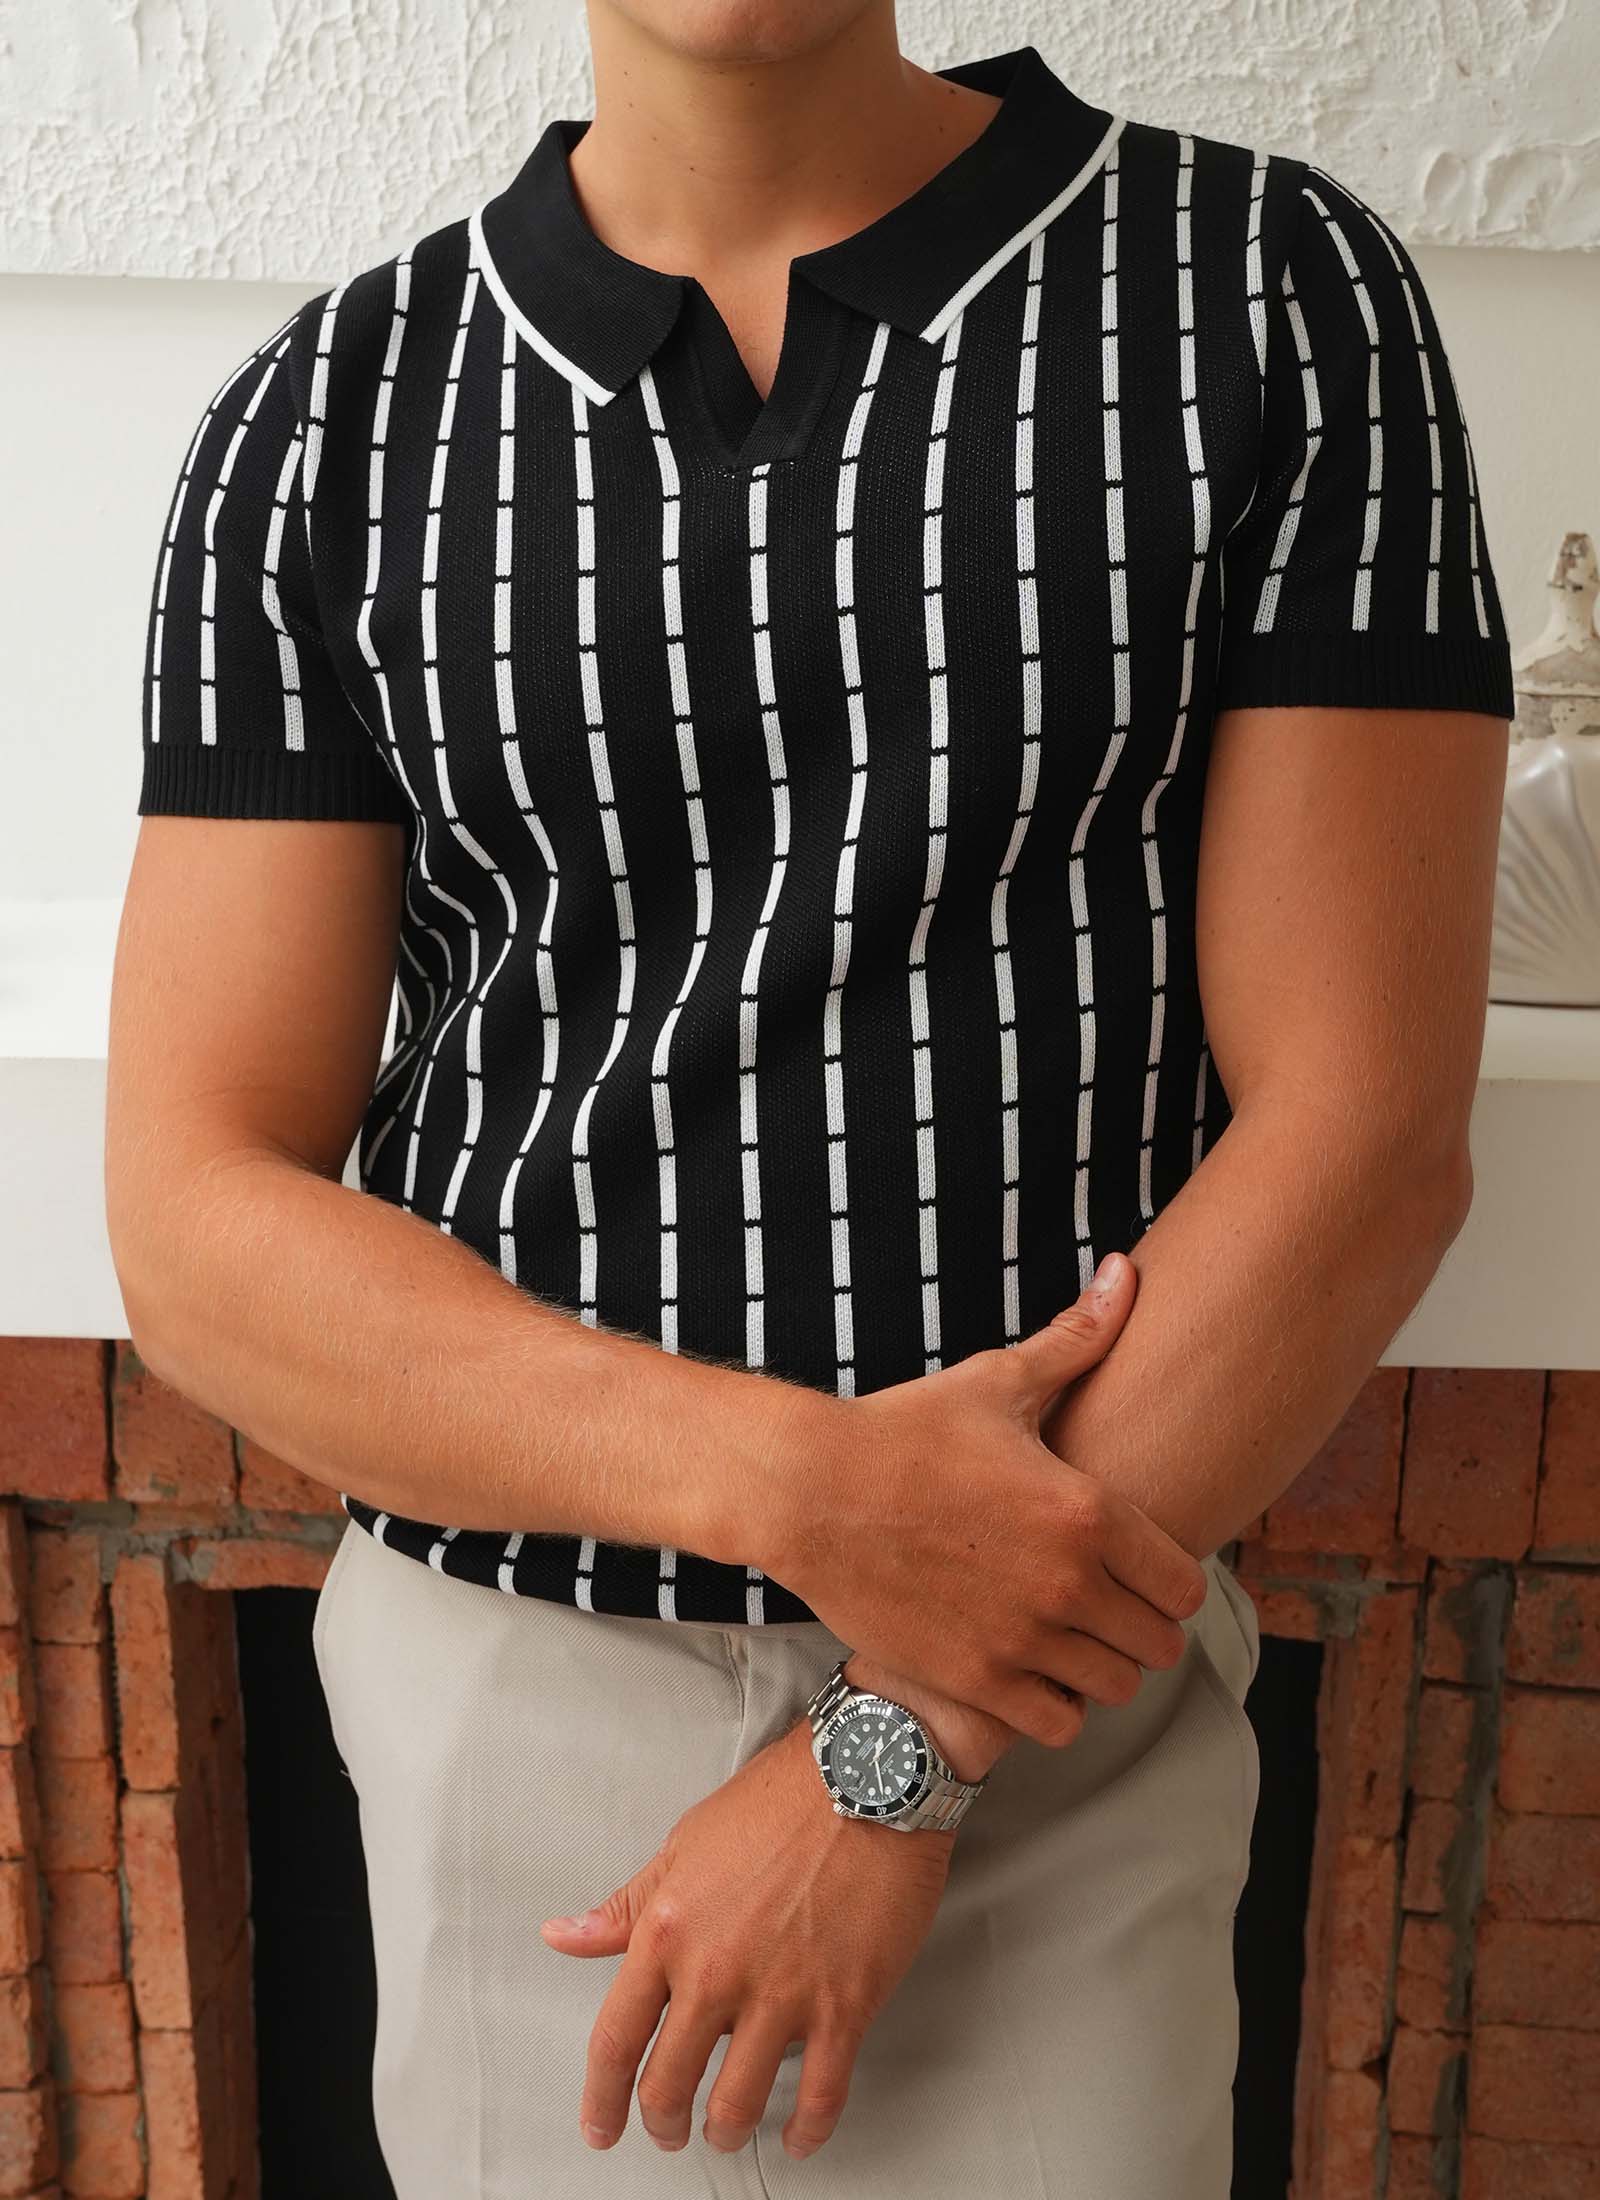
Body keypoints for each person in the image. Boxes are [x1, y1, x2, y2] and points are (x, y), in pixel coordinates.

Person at [105, 3, 1515, 2193]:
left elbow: (1364, 1134)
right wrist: (805, 1489)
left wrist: (899, 1740)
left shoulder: (1266, 295)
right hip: (509, 1697)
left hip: (1055, 1701)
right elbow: (196, 1214)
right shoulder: (322, 422)